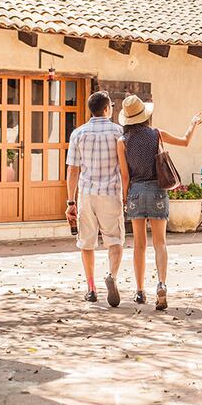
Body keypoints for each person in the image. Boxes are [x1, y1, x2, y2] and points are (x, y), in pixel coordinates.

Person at [116, 95, 201, 310]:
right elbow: (185, 141)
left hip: (135, 191)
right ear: (144, 115)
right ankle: (161, 284)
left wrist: (125, 198)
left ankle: (139, 291)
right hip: (157, 191)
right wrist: (192, 125)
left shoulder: (122, 142)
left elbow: (124, 177)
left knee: (139, 245)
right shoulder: (156, 134)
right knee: (160, 243)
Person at [66, 91, 125, 307]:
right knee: (115, 240)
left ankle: (91, 288)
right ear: (107, 108)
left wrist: (70, 202)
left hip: (86, 194)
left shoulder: (78, 133)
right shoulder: (119, 132)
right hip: (111, 193)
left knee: (87, 242)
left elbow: (73, 170)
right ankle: (112, 275)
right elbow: (125, 167)